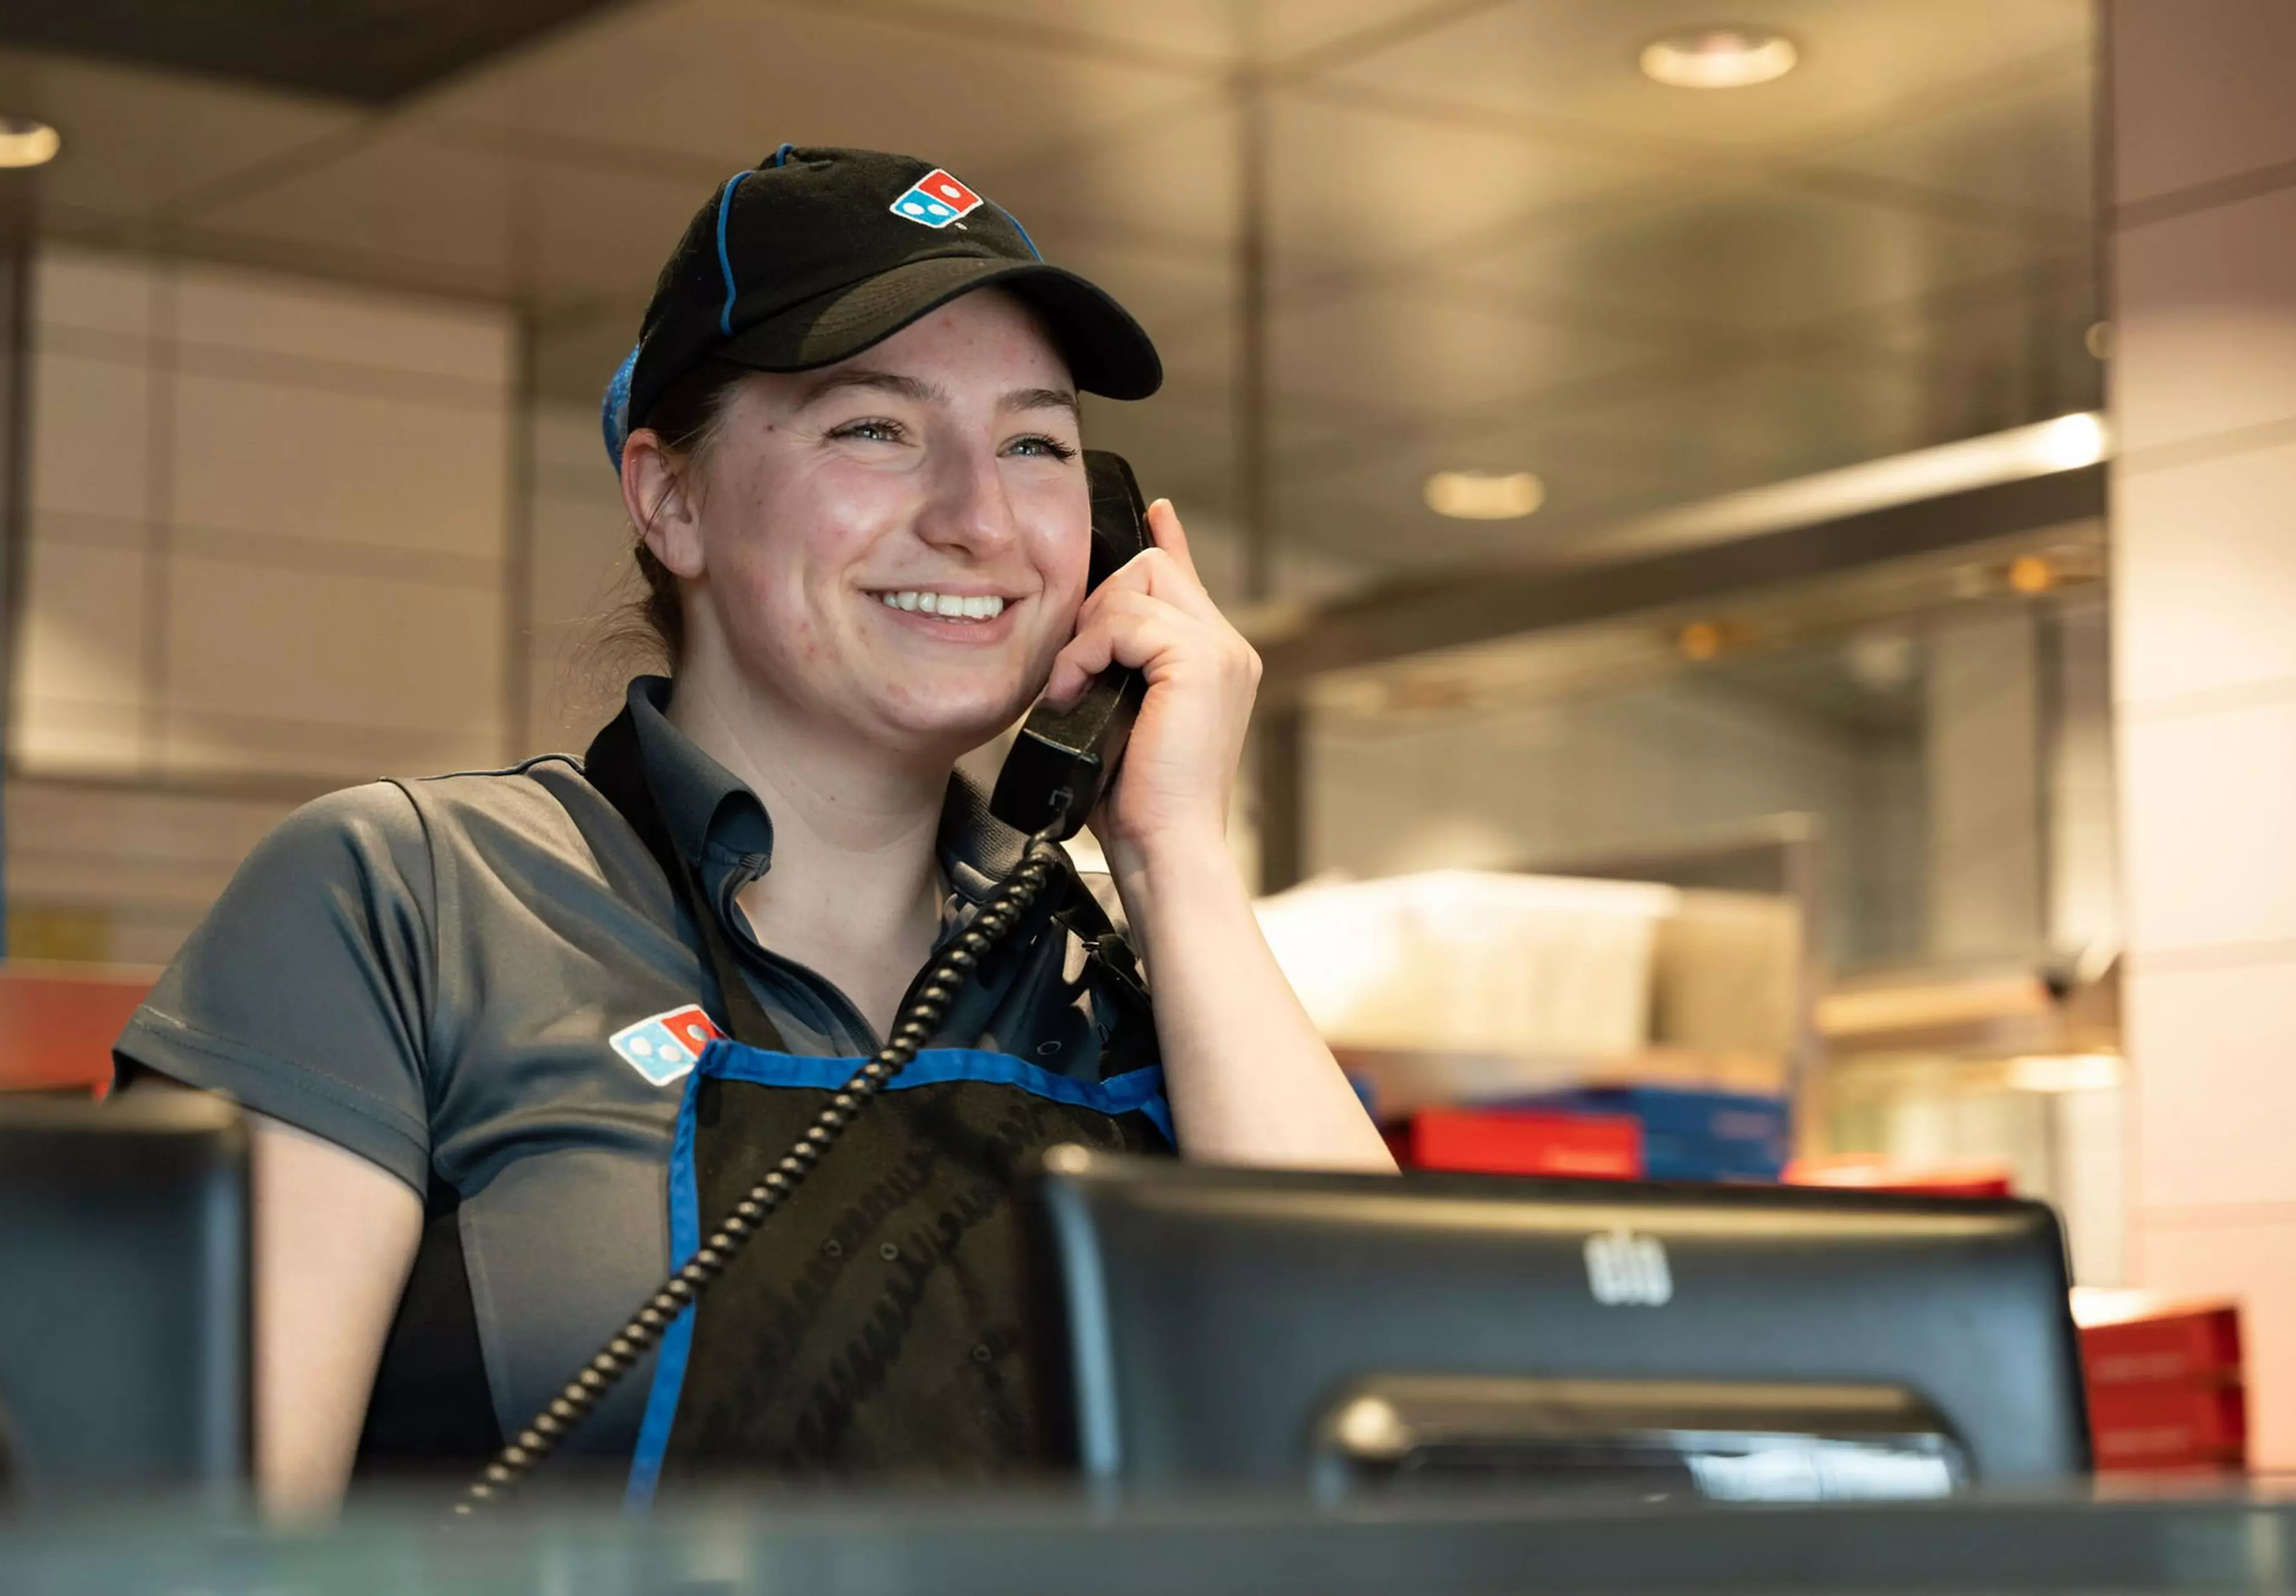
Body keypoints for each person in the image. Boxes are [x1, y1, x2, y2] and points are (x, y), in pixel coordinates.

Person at [116, 145, 1393, 1518]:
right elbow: (161, 1546)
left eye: (1035, 443)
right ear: (669, 498)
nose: (979, 518)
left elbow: (1417, 1462)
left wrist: (1175, 856)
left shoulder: (1120, 981)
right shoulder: (409, 896)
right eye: (874, 428)